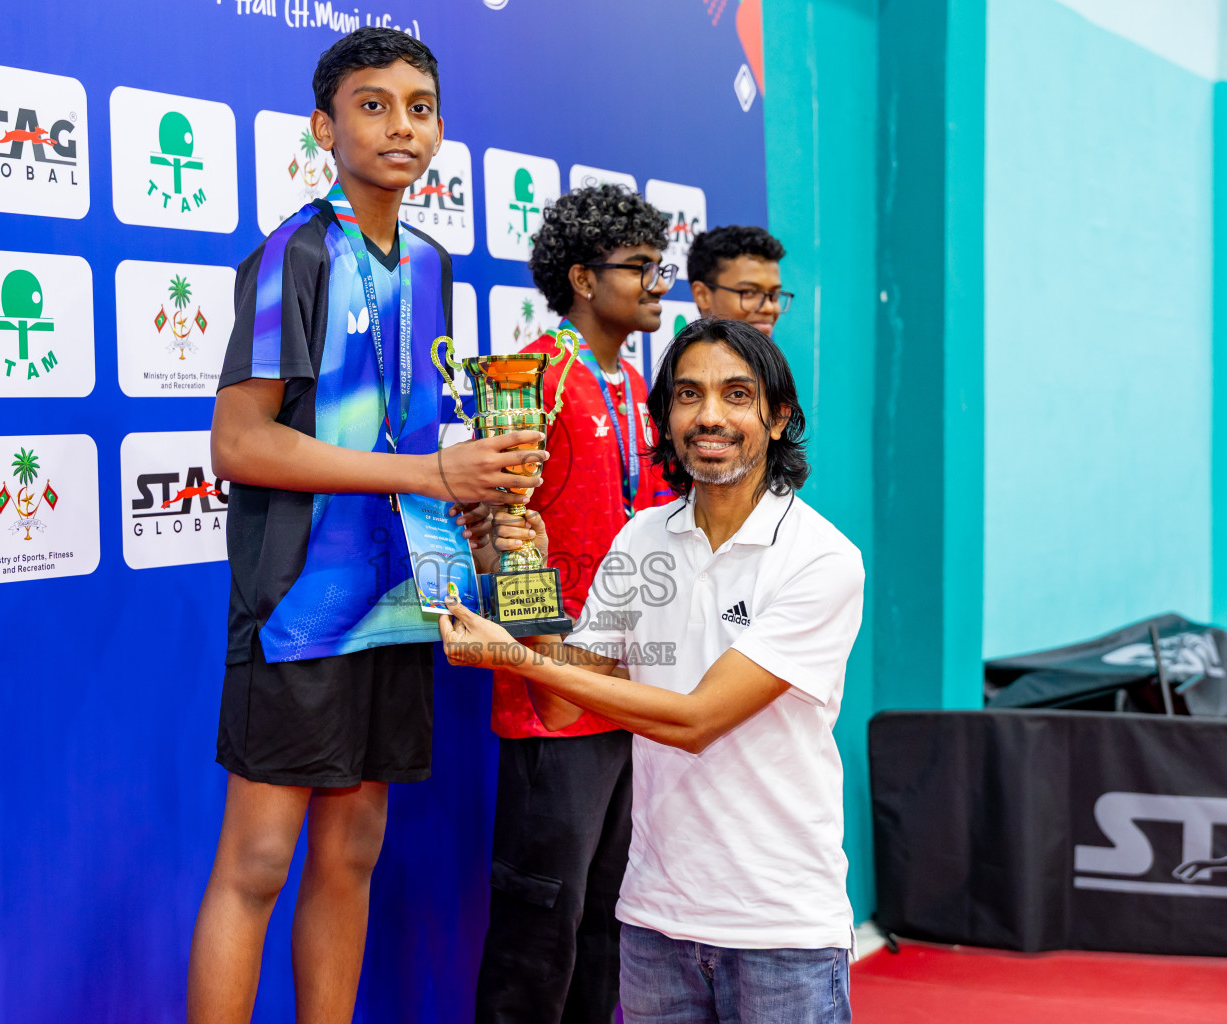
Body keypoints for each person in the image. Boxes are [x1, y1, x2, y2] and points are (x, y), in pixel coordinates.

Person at [189, 28, 545, 1024]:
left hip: (399, 606)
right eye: (373, 103)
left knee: (351, 854)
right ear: (324, 125)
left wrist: (474, 499)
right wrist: (429, 466)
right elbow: (239, 444)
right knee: (256, 863)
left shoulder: (432, 265)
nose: (401, 125)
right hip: (297, 607)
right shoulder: (288, 259)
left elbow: (413, 434)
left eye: (419, 106)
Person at [444, 318, 865, 1023]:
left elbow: (697, 720)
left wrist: (509, 656)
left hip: (780, 931)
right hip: (653, 926)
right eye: (689, 394)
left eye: (737, 394)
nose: (710, 416)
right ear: (665, 414)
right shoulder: (642, 538)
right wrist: (519, 572)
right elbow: (560, 705)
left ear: (778, 415)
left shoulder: (821, 559)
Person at [474, 184, 676, 1024]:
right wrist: (545, 668)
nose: (659, 284)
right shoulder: (531, 378)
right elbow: (503, 530)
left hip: (633, 688)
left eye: (660, 267)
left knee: (608, 921)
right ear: (585, 279)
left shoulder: (638, 384)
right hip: (554, 694)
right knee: (539, 929)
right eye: (641, 269)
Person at [687, 225, 792, 338]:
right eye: (749, 293)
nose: (769, 308)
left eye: (774, 295)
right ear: (702, 295)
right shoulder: (686, 355)